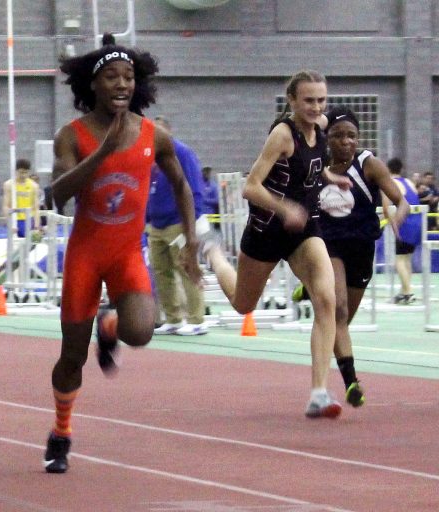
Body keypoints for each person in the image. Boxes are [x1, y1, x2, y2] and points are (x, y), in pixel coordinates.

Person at [43, 34, 202, 474]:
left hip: (127, 254)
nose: (121, 84)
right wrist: (105, 152)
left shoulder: (154, 134)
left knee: (140, 333)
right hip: (85, 257)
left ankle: (109, 324)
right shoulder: (72, 136)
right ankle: (61, 432)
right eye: (111, 76)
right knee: (71, 358)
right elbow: (57, 194)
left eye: (129, 77)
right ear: (92, 85)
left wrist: (190, 241)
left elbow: (182, 184)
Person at [203, 70, 351, 419]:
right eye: (309, 101)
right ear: (292, 101)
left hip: (304, 229)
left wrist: (331, 178)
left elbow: (311, 168)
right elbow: (250, 187)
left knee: (326, 299)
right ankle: (212, 255)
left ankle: (318, 392)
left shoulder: (322, 128)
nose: (316, 107)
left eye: (321, 100)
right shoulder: (282, 136)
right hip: (267, 229)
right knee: (243, 304)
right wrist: (285, 208)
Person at [317, 106, 409, 408]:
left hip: (361, 247)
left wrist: (397, 216)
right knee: (338, 309)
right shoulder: (317, 166)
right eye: (338, 135)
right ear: (327, 137)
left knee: (342, 319)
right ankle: (351, 382)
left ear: (359, 139)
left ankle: (313, 290)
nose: (346, 142)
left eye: (352, 136)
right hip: (328, 245)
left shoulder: (368, 164)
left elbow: (400, 200)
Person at [147, 115, 209, 336]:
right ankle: (173, 318)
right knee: (161, 271)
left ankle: (197, 319)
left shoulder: (182, 153)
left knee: (186, 268)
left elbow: (194, 188)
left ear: (167, 133)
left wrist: (191, 225)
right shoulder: (150, 156)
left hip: (178, 222)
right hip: (156, 224)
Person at [384, 158, 422, 304]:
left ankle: (408, 292)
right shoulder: (410, 183)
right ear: (401, 169)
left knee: (399, 259)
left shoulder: (391, 183)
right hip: (418, 222)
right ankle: (404, 291)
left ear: (388, 169)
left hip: (405, 222)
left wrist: (391, 221)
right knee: (406, 258)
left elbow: (386, 205)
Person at [2, 158, 41, 237]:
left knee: (36, 243)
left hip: (30, 219)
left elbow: (36, 208)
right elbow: (5, 206)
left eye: (26, 173)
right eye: (21, 172)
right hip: (15, 220)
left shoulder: (34, 186)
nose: (23, 175)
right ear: (16, 171)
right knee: (17, 246)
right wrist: (10, 223)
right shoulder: (9, 185)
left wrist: (37, 226)